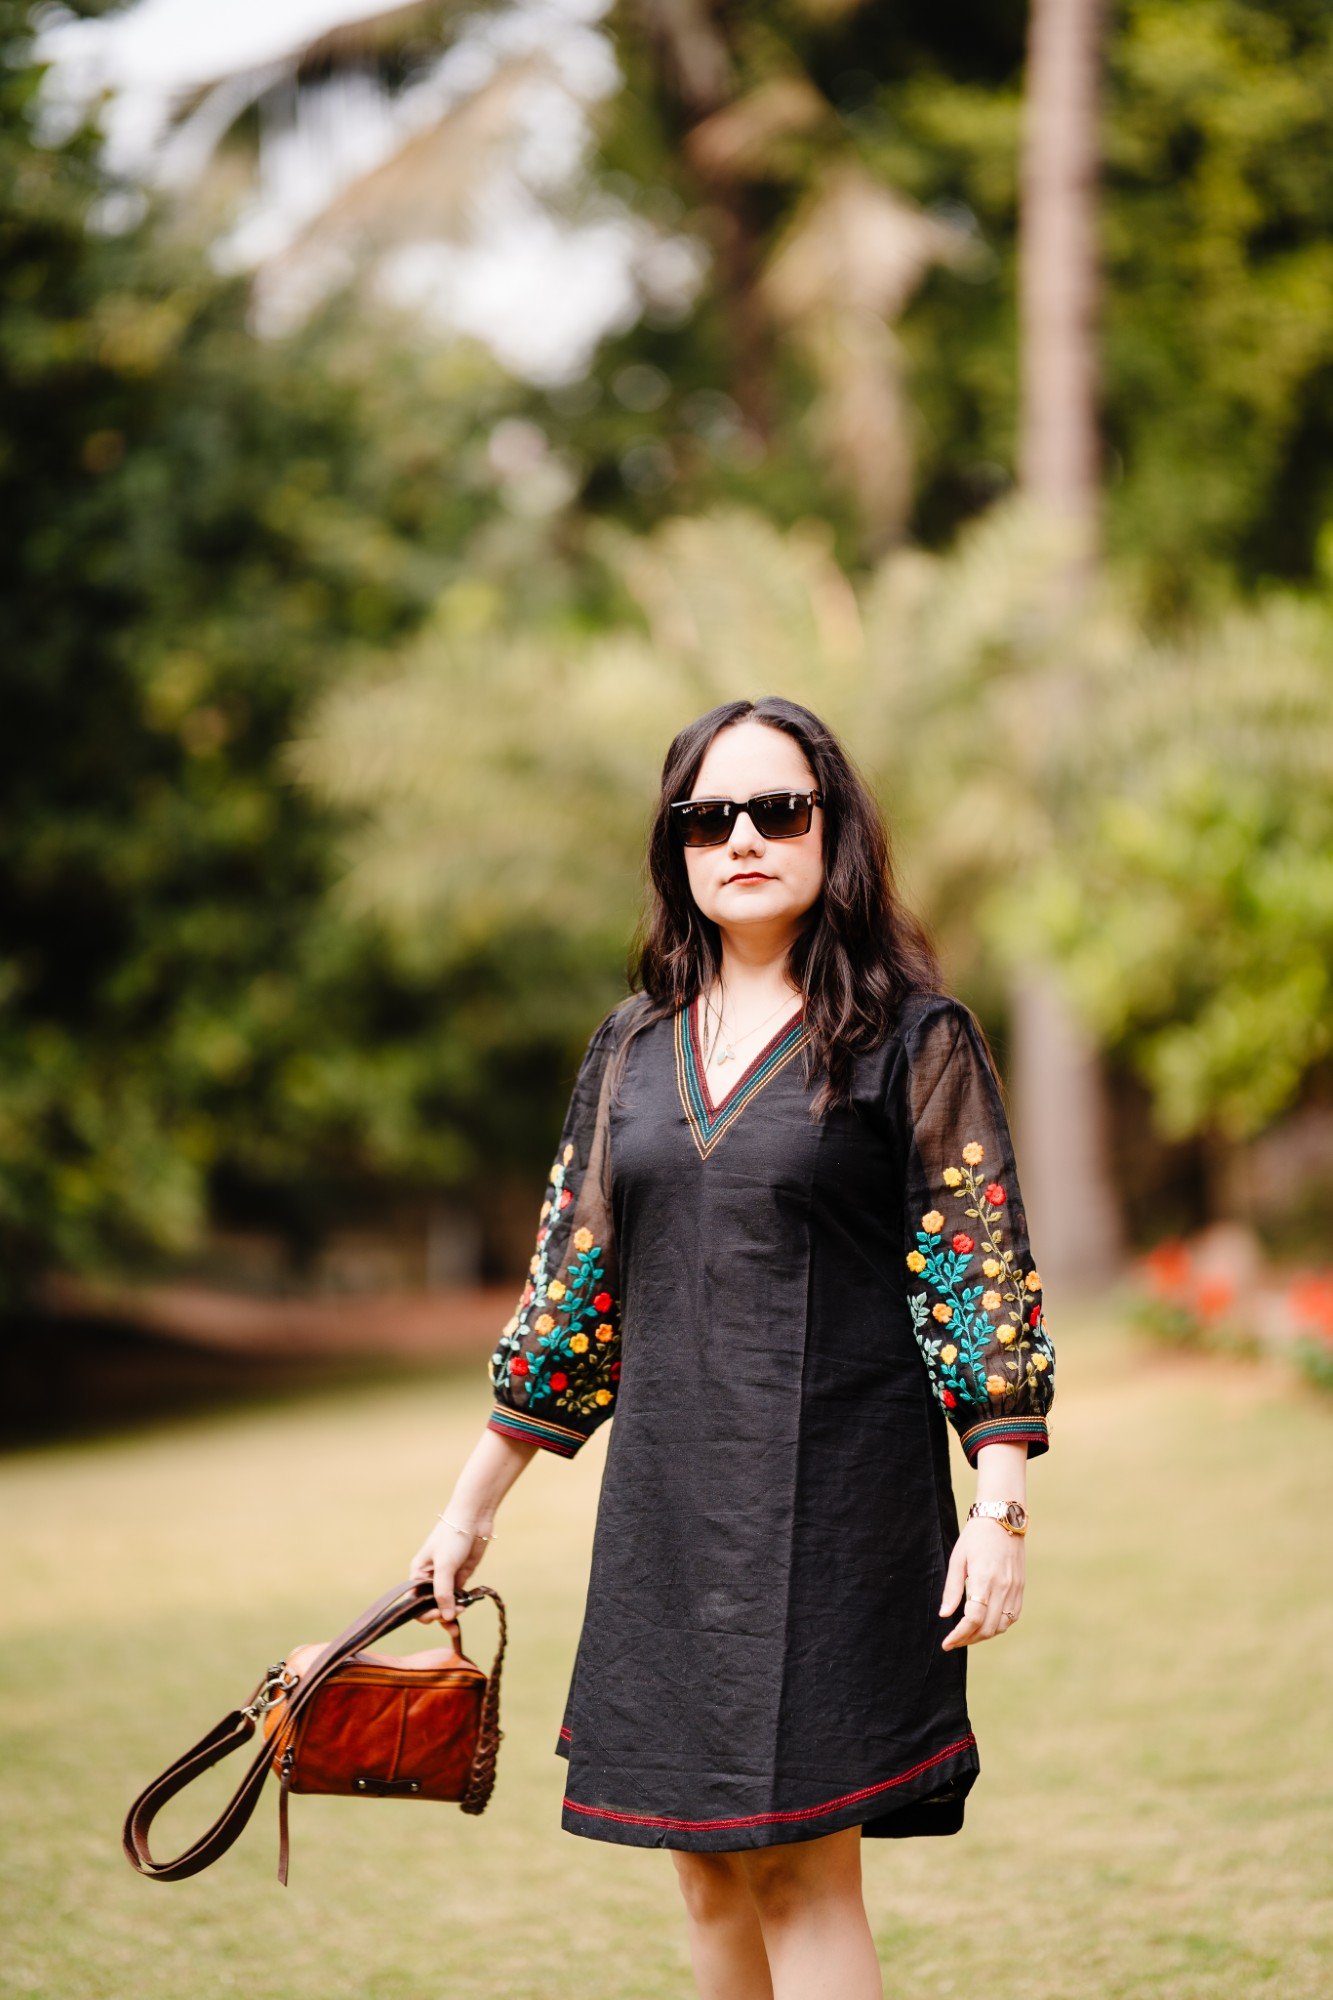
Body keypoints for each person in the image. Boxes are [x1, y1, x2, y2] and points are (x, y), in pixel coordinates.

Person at [409, 695, 1056, 2000]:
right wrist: (467, 1514)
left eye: (776, 809)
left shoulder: (913, 1039)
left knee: (801, 1871)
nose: (742, 838)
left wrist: (998, 1510)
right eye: (708, 818)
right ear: (676, 848)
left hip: (837, 1508)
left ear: (833, 830)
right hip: (666, 1510)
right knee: (706, 1874)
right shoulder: (631, 1046)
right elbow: (568, 1300)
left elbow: (976, 1279)